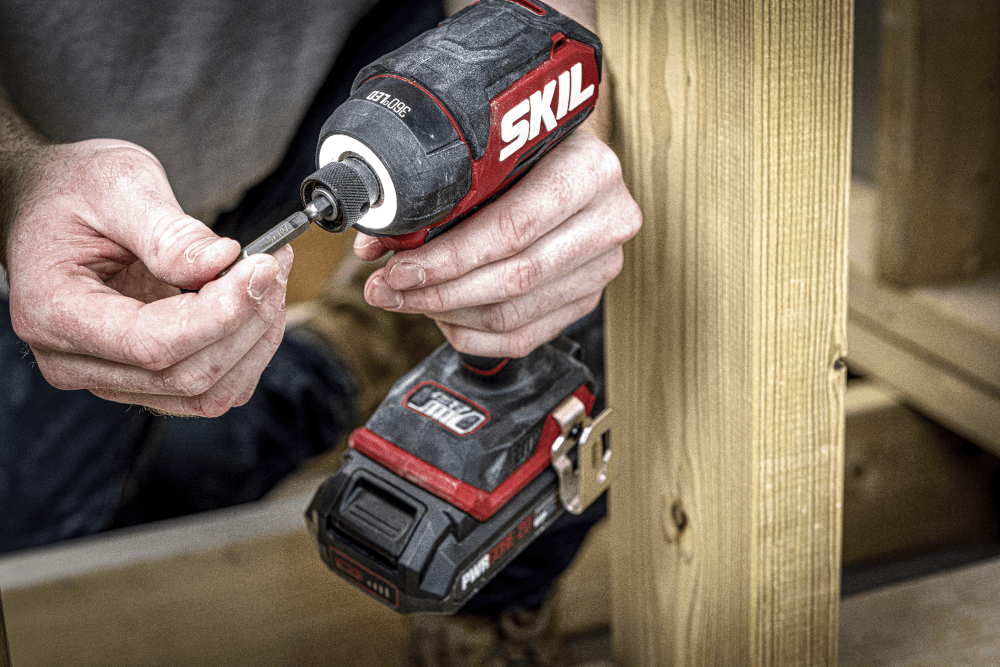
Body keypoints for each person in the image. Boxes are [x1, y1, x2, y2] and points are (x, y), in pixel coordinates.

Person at [0, 0, 640, 664]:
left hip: (347, 69)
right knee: (44, 536)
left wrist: (556, 139)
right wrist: (17, 180)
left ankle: (495, 608)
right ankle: (352, 349)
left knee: (563, 318)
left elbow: (539, 32)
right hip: (48, 163)